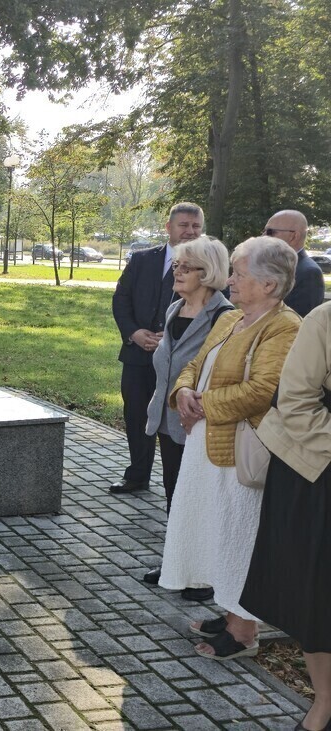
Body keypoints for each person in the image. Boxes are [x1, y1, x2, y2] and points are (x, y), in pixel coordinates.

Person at [160, 236, 300, 661]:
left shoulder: (285, 326)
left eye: (240, 274)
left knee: (238, 534)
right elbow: (194, 364)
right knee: (214, 528)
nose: (232, 281)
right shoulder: (230, 318)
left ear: (270, 285)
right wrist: (183, 391)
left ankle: (243, 632)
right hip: (208, 442)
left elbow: (262, 390)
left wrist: (201, 406)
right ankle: (230, 610)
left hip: (241, 449)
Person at [242, 302, 331, 731]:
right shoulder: (325, 320)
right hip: (319, 472)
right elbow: (295, 403)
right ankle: (324, 703)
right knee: (319, 598)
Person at [140, 237, 232, 600]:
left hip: (200, 423)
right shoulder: (174, 309)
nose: (176, 272)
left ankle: (205, 576)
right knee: (175, 495)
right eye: (176, 265)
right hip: (167, 419)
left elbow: (220, 372)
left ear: (207, 272)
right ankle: (177, 562)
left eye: (186, 267)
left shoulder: (224, 317)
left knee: (200, 498)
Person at [110, 202, 204, 494]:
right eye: (184, 225)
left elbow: (213, 313)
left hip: (181, 363)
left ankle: (178, 486)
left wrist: (173, 339)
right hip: (138, 355)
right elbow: (121, 299)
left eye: (196, 226)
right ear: (168, 227)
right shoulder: (141, 260)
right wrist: (133, 333)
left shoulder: (209, 265)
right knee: (136, 415)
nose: (190, 231)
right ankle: (137, 475)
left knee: (173, 423)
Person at [265, 209, 325, 317]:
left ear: (294, 236)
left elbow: (297, 321)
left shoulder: (309, 273)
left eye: (270, 232)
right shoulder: (273, 266)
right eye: (264, 231)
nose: (264, 236)